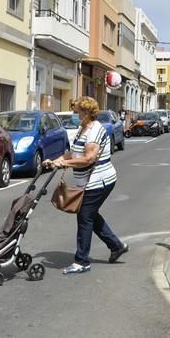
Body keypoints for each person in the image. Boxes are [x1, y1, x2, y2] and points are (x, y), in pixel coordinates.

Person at [44, 96, 128, 274]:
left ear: (87, 112)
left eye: (78, 112)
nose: (75, 115)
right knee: (90, 215)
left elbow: (89, 158)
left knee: (84, 218)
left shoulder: (95, 130)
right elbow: (73, 152)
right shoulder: (83, 128)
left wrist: (64, 164)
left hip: (99, 181)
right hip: (89, 182)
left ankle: (82, 261)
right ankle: (116, 246)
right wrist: (56, 160)